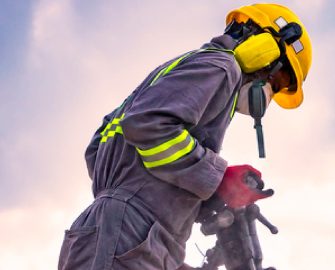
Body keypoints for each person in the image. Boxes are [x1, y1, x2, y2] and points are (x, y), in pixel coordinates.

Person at [58, 3, 312, 270]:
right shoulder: (223, 68)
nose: (272, 91)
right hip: (125, 233)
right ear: (265, 50)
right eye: (280, 80)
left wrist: (200, 198)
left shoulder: (182, 67)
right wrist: (218, 178)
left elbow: (98, 149)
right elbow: (147, 126)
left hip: (117, 236)